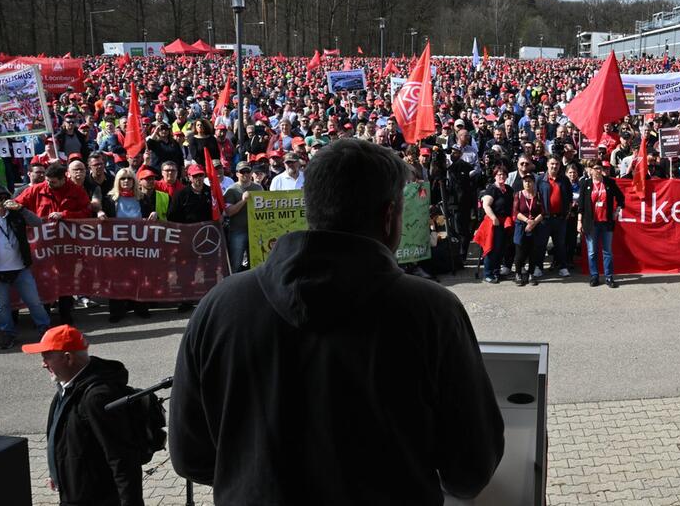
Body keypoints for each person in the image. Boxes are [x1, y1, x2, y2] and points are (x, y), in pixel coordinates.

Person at [170, 139, 504, 505]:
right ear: (389, 215)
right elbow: (471, 467)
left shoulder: (218, 306)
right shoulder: (432, 312)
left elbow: (192, 457)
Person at [21, 325, 145, 506]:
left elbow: (121, 457)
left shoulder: (97, 397)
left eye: (46, 356)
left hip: (96, 499)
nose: (43, 363)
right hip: (74, 493)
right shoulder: (67, 388)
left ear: (68, 358)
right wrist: (57, 473)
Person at [0, 185, 51, 348]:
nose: (2, 202)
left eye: (5, 198)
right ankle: (8, 334)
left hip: (20, 268)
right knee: (2, 306)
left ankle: (45, 330)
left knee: (34, 302)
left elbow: (38, 222)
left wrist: (21, 208)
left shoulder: (16, 214)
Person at [15, 163, 92, 324]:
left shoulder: (76, 191)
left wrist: (65, 214)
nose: (49, 184)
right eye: (47, 180)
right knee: (43, 279)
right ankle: (45, 315)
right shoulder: (36, 189)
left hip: (67, 245)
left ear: (63, 178)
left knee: (66, 278)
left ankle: (66, 313)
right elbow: (18, 205)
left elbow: (86, 212)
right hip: (43, 246)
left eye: (53, 181)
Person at [99, 169, 153, 322]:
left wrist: (153, 215)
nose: (126, 181)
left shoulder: (142, 198)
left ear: (134, 181)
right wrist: (100, 214)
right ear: (118, 181)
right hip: (117, 246)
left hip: (138, 245)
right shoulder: (110, 199)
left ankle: (141, 308)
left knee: (139, 277)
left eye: (129, 178)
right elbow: (103, 217)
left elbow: (149, 217)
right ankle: (117, 311)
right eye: (123, 179)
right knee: (116, 278)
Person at [577, 159, 625, 289]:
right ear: (591, 170)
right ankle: (594, 276)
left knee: (607, 251)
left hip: (606, 222)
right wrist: (579, 222)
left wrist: (617, 211)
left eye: (600, 168)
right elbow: (580, 205)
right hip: (591, 223)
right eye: (596, 168)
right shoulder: (585, 184)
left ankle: (609, 277)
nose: (599, 171)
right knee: (592, 252)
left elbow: (621, 198)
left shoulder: (609, 182)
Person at [534, 156, 572, 278]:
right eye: (552, 164)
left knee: (560, 244)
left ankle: (562, 267)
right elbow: (536, 197)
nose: (554, 166)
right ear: (547, 165)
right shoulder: (540, 179)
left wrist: (566, 213)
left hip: (560, 219)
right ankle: (538, 267)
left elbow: (570, 199)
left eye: (556, 164)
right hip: (545, 219)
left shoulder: (564, 180)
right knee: (541, 244)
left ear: (560, 166)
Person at [223, 161, 264, 272]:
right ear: (237, 174)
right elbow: (229, 212)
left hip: (255, 231)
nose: (245, 174)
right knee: (235, 264)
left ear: (251, 173)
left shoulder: (258, 188)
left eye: (248, 171)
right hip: (238, 231)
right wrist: (243, 201)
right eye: (242, 172)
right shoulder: (231, 190)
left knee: (256, 263)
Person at [480, 165, 514, 284]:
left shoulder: (509, 189)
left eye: (504, 174)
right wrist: (494, 217)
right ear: (495, 176)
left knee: (501, 248)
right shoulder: (492, 189)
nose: (501, 176)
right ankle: (488, 273)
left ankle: (496, 271)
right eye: (499, 174)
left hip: (505, 222)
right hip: (494, 222)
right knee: (492, 249)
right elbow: (486, 205)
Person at [512, 174, 544, 286]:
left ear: (533, 183)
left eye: (530, 181)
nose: (527, 183)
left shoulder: (538, 195)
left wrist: (534, 222)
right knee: (520, 252)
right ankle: (518, 273)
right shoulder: (518, 195)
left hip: (535, 226)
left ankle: (531, 274)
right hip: (521, 226)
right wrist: (527, 221)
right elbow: (515, 212)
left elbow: (543, 212)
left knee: (533, 252)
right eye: (525, 181)